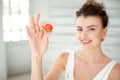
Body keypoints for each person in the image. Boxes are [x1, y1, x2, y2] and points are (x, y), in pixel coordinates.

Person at [26, 0, 120, 80]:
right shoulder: (64, 59)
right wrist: (36, 55)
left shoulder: (116, 71)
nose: (83, 35)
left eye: (91, 29)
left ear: (104, 32)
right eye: (80, 29)